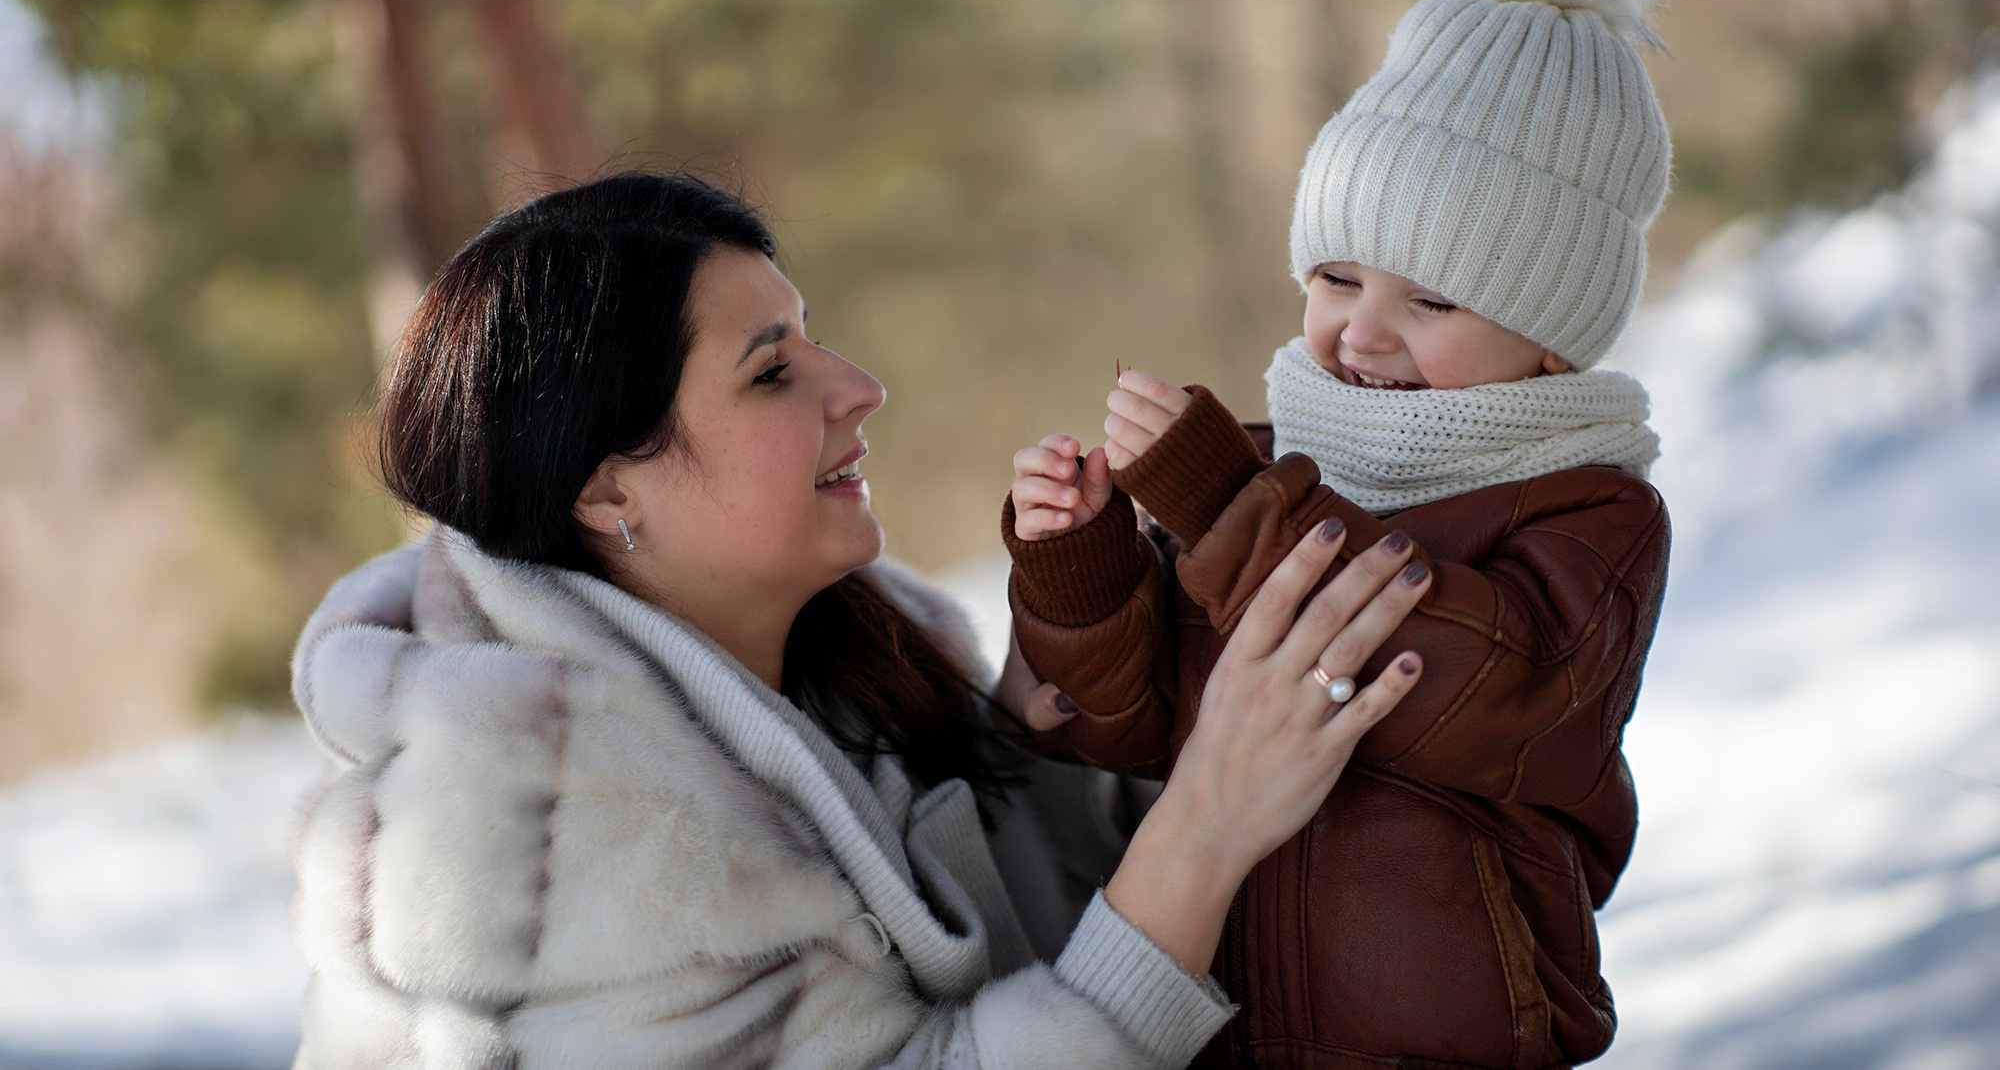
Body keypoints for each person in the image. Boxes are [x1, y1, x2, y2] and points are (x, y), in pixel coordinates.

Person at [287, 171, 1431, 1069]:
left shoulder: (841, 649)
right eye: (772, 373)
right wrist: (1205, 826)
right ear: (603, 488)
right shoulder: (532, 837)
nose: (858, 384)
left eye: (811, 336)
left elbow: (1031, 897)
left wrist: (1109, 667)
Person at [1005, 0, 1675, 1068]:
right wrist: (1081, 571)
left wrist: (1227, 509)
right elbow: (1127, 732)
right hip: (1223, 1020)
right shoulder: (1256, 469)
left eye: (1431, 302)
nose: (1361, 330)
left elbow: (1496, 693)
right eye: (1334, 275)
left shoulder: (1587, 511)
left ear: (1549, 335)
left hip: (1455, 1034)